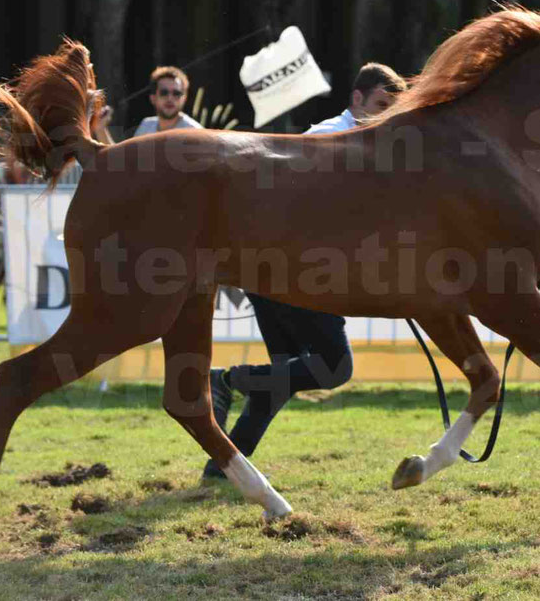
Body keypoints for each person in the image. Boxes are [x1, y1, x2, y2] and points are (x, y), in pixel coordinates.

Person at [203, 62, 407, 479]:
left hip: (279, 269)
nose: (386, 114)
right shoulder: (329, 136)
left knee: (281, 378)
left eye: (393, 108)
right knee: (335, 367)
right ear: (357, 99)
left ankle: (222, 469)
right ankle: (227, 380)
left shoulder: (372, 145)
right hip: (296, 270)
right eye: (381, 104)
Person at [134, 66, 203, 136]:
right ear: (153, 98)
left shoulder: (195, 132)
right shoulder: (145, 126)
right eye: (164, 93)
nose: (170, 98)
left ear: (184, 98)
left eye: (176, 93)